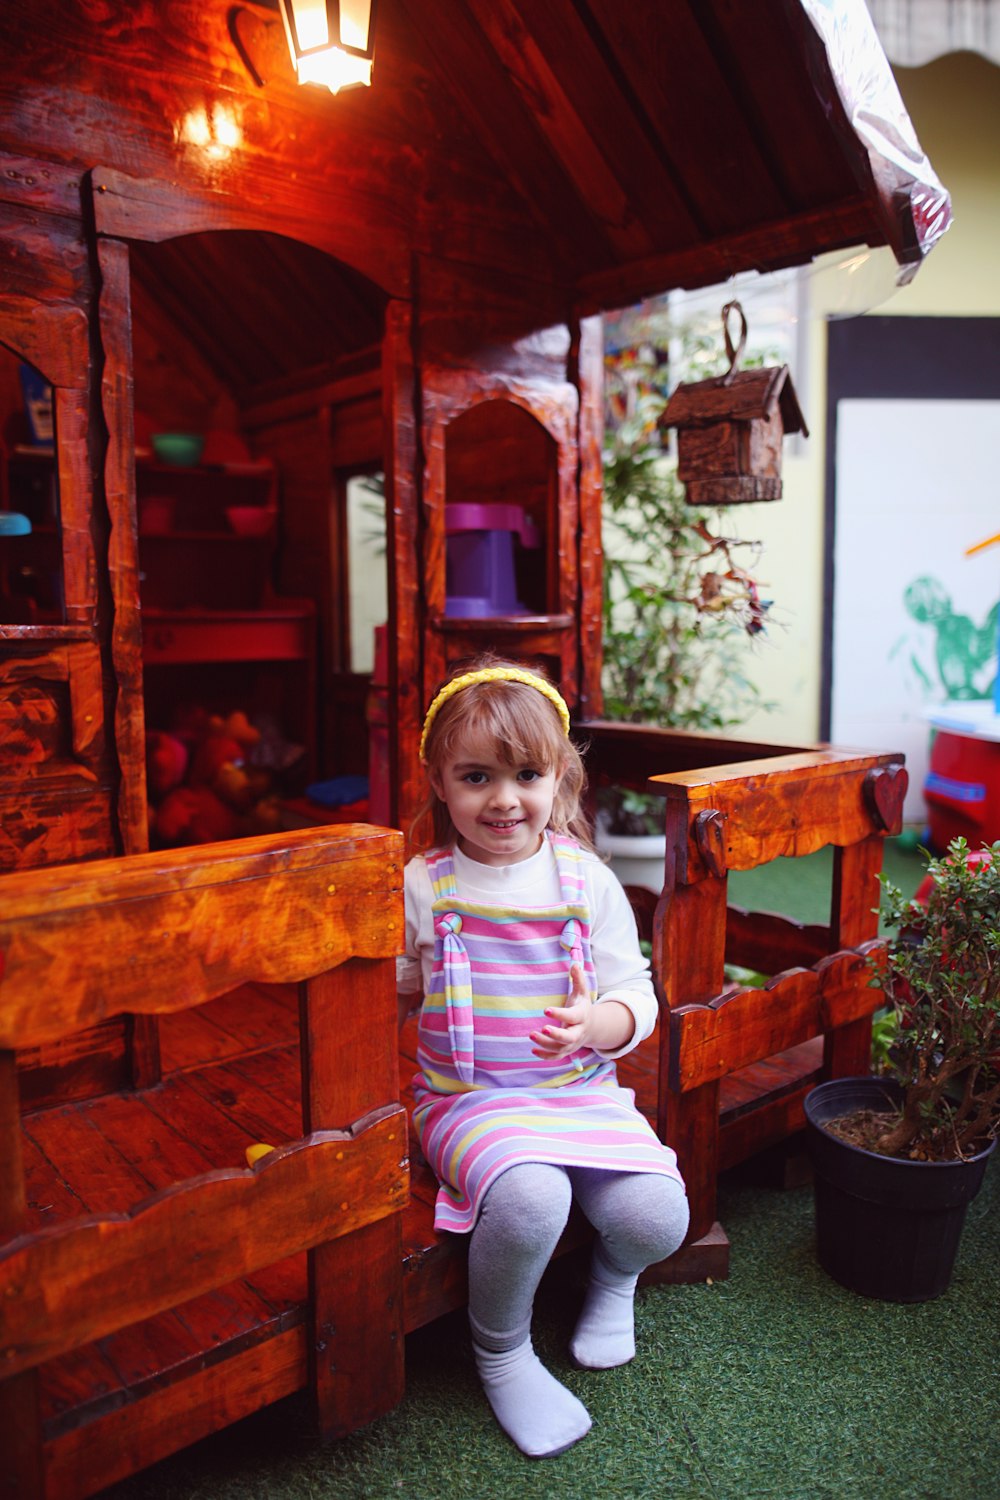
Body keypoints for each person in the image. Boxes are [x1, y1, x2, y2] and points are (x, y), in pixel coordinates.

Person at [398, 656, 689, 1459]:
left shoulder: (587, 882)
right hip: (469, 1100)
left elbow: (638, 995)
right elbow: (386, 989)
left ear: (559, 778)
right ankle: (501, 1350)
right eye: (476, 776)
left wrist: (597, 1023)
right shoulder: (425, 886)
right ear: (439, 781)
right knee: (531, 1201)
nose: (502, 798)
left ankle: (613, 1279)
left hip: (580, 1093)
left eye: (526, 774)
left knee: (658, 1216)